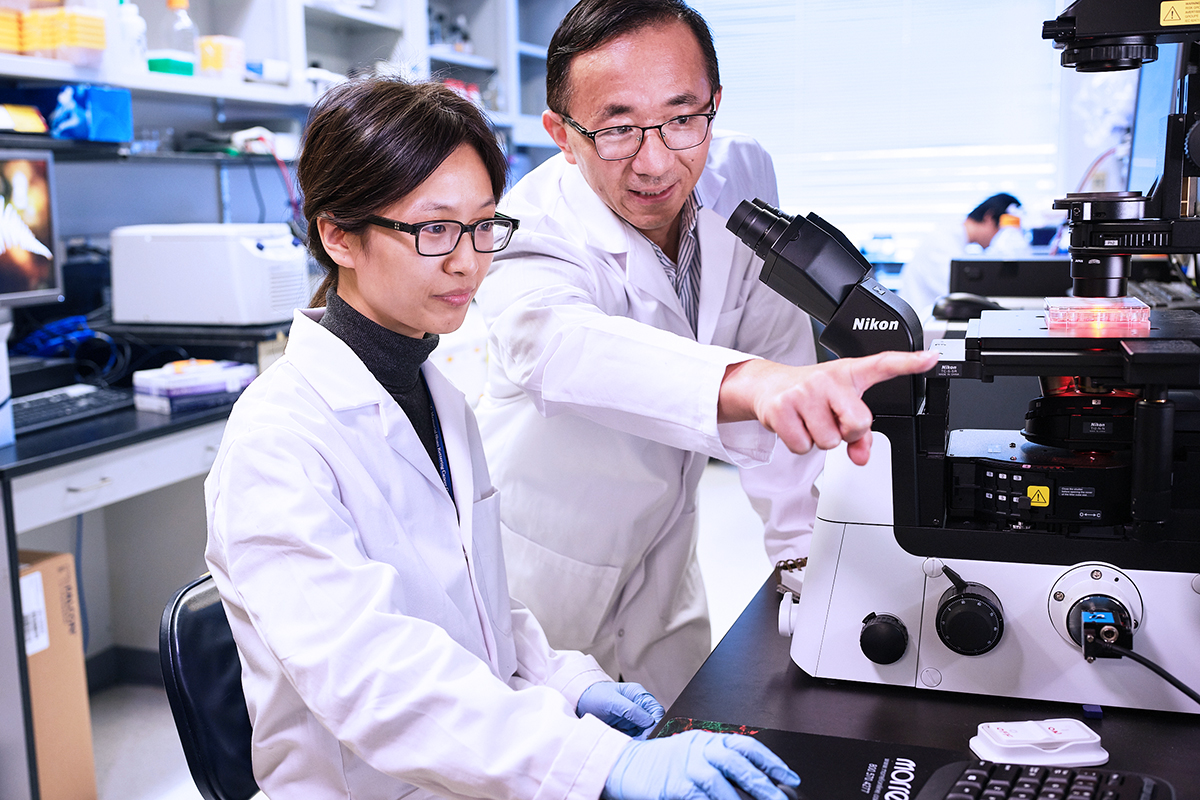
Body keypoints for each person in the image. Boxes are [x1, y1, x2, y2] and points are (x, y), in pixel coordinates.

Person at [203, 74, 806, 800]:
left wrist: (572, 683)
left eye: (483, 225)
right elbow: (377, 681)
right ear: (338, 235)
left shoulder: (437, 397)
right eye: (433, 230)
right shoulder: (278, 441)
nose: (468, 261)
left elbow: (480, 610)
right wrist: (597, 764)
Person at [473, 0, 939, 707]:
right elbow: (565, 352)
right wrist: (751, 382)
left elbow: (776, 354)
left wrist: (800, 557)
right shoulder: (525, 228)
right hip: (541, 574)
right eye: (617, 128)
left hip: (667, 555)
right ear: (562, 135)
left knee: (691, 734)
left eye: (684, 117)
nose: (656, 161)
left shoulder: (741, 170)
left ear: (714, 106)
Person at [899, 192, 1027, 318]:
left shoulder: (956, 240)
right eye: (1000, 230)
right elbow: (959, 294)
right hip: (918, 324)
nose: (998, 238)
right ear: (988, 217)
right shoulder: (942, 242)